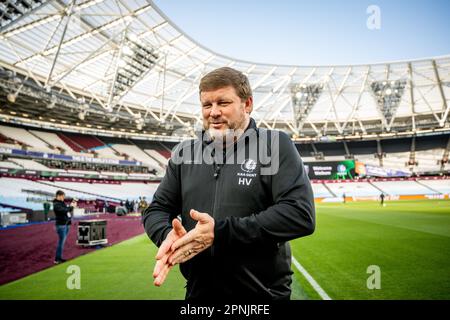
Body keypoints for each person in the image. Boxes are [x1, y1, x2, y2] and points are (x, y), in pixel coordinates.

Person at [143, 67, 315, 300]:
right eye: (207, 105)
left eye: (223, 103)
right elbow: (157, 209)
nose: (213, 112)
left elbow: (299, 214)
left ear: (247, 104)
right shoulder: (185, 153)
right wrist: (167, 236)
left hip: (262, 296)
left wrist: (220, 232)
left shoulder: (275, 145)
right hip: (199, 295)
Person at [53, 190, 76, 264]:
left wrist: (72, 206)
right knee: (61, 242)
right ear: (59, 196)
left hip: (65, 224)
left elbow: (68, 211)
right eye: (63, 196)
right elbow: (64, 210)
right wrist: (71, 206)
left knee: (62, 242)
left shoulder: (61, 203)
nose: (64, 198)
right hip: (61, 225)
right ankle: (57, 259)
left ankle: (59, 258)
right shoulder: (56, 204)